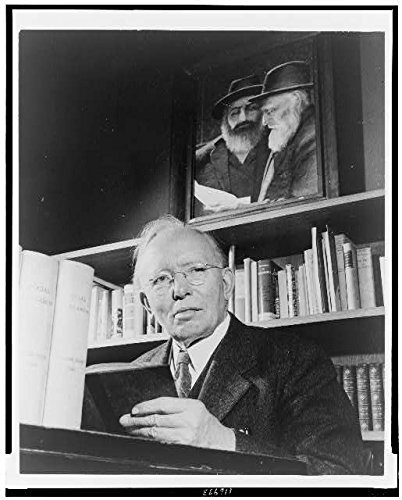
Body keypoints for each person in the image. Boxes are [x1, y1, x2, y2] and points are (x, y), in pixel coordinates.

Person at [117, 215, 368, 475]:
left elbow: (339, 473)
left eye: (196, 271)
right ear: (146, 304)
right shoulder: (130, 375)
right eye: (160, 279)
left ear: (226, 284)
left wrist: (224, 442)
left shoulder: (296, 360)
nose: (179, 290)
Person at [195, 75, 270, 213]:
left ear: (264, 112)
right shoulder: (203, 161)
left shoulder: (279, 149)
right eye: (235, 113)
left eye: (251, 108)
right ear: (225, 121)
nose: (243, 118)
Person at [249, 60, 319, 202]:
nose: (265, 122)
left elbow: (300, 205)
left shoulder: (312, 140)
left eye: (271, 110)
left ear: (296, 100)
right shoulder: (291, 136)